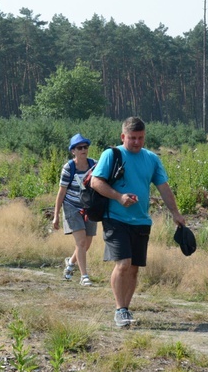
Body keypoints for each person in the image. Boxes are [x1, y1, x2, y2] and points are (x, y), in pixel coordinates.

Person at [91, 117, 186, 328]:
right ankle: (120, 309)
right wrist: (118, 197)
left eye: (140, 138)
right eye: (132, 138)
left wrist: (175, 213)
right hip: (115, 218)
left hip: (141, 221)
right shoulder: (112, 154)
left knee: (134, 268)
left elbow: (163, 187)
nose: (136, 142)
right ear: (123, 136)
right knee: (123, 264)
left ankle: (126, 308)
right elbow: (96, 182)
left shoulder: (151, 159)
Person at [53, 133, 97, 286]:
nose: (83, 150)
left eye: (85, 147)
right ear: (73, 151)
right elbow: (62, 192)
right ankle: (84, 276)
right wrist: (56, 215)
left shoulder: (95, 165)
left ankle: (70, 264)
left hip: (89, 207)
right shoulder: (68, 168)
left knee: (87, 243)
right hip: (71, 206)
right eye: (80, 147)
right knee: (81, 242)